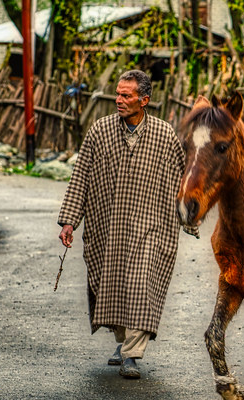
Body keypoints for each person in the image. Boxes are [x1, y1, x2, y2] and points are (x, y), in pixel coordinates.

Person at [57, 70, 197, 379]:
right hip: (109, 226)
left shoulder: (164, 135)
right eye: (118, 94)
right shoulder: (100, 131)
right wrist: (69, 221)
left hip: (153, 226)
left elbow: (183, 179)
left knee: (142, 283)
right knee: (112, 285)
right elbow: (80, 177)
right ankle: (122, 343)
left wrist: (190, 216)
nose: (118, 100)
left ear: (144, 100)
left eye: (126, 95)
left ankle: (132, 354)